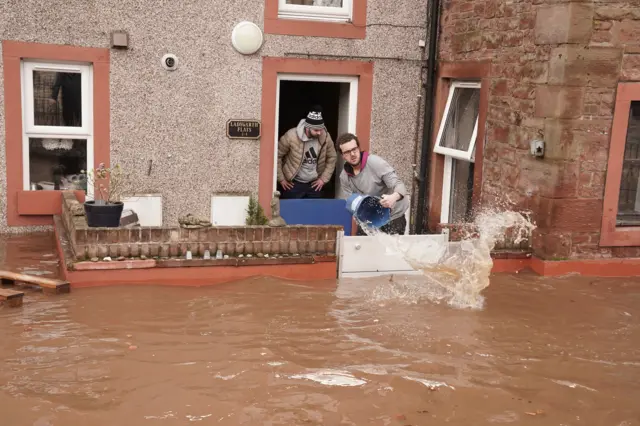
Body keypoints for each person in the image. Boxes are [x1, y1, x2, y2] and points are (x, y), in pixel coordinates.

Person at [336, 132, 409, 235]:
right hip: (369, 218)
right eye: (347, 152)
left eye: (354, 149)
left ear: (358, 148)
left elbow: (399, 185)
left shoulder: (376, 163)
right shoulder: (344, 177)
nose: (352, 154)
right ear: (342, 155)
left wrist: (393, 197)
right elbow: (351, 202)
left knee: (391, 250)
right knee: (362, 248)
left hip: (393, 216)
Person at [277, 105, 337, 199]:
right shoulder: (291, 136)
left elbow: (332, 157)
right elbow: (277, 155)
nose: (319, 133)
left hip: (315, 184)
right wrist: (281, 179)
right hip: (293, 184)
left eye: (321, 129)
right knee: (292, 211)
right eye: (316, 130)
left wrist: (323, 179)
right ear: (307, 128)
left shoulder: (325, 137)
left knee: (314, 212)